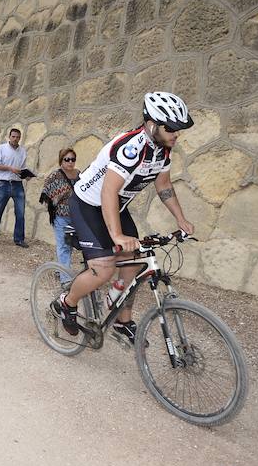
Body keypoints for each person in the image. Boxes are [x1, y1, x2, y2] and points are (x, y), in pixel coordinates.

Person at [52, 92, 195, 345]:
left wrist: (181, 220)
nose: (176, 134)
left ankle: (121, 320)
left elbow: (164, 186)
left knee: (135, 261)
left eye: (179, 129)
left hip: (114, 205)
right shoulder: (131, 148)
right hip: (88, 204)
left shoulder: (162, 151)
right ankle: (66, 303)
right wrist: (116, 236)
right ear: (152, 124)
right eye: (171, 128)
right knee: (105, 268)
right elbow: (108, 191)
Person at [39, 148, 80, 283]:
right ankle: (66, 280)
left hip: (77, 217)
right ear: (61, 160)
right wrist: (54, 204)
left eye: (72, 159)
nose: (70, 162)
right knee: (63, 246)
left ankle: (60, 269)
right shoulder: (55, 176)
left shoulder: (79, 174)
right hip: (61, 217)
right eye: (66, 159)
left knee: (71, 245)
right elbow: (45, 194)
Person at [0, 128, 32, 247]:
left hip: (17, 184)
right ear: (9, 137)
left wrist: (26, 175)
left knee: (20, 213)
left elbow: (21, 168)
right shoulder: (1, 148)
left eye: (17, 137)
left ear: (20, 138)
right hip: (3, 184)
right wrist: (11, 168)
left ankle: (19, 239)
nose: (15, 139)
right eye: (13, 136)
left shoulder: (22, 151)